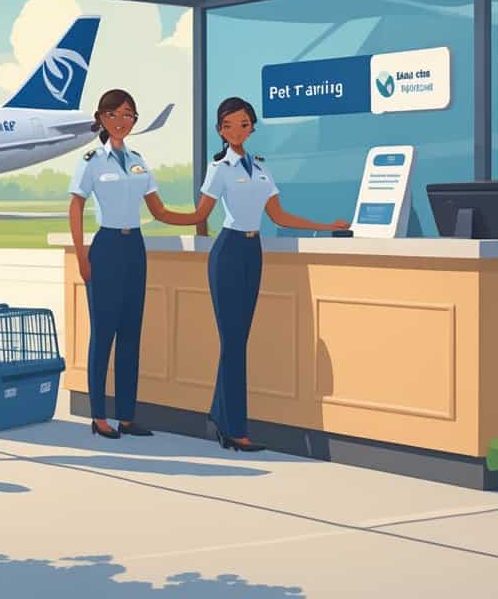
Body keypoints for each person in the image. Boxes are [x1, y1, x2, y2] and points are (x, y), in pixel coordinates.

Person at [159, 96, 349, 452]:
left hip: (253, 251)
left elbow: (279, 216)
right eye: (228, 125)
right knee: (233, 343)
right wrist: (164, 214)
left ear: (251, 127)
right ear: (220, 130)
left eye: (243, 124)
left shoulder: (261, 167)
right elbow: (202, 212)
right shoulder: (219, 168)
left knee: (237, 341)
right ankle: (235, 429)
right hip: (227, 252)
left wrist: (326, 225)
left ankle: (219, 414)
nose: (237, 130)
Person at [69, 89, 166, 440]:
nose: (122, 122)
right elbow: (76, 207)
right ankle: (98, 416)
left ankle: (126, 415)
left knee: (130, 335)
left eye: (129, 115)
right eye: (115, 115)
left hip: (134, 247)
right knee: (103, 334)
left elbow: (158, 209)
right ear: (102, 118)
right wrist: (82, 255)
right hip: (106, 247)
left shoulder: (139, 160)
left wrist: (200, 218)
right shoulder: (92, 159)